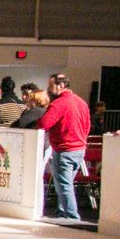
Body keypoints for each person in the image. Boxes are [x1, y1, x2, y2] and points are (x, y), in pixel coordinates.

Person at [36, 70, 92, 222]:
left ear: (60, 86)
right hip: (79, 149)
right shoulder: (81, 102)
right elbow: (87, 126)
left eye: (50, 86)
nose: (48, 89)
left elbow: (44, 123)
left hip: (64, 149)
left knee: (63, 185)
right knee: (66, 184)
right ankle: (62, 213)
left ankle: (72, 217)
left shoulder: (58, 104)